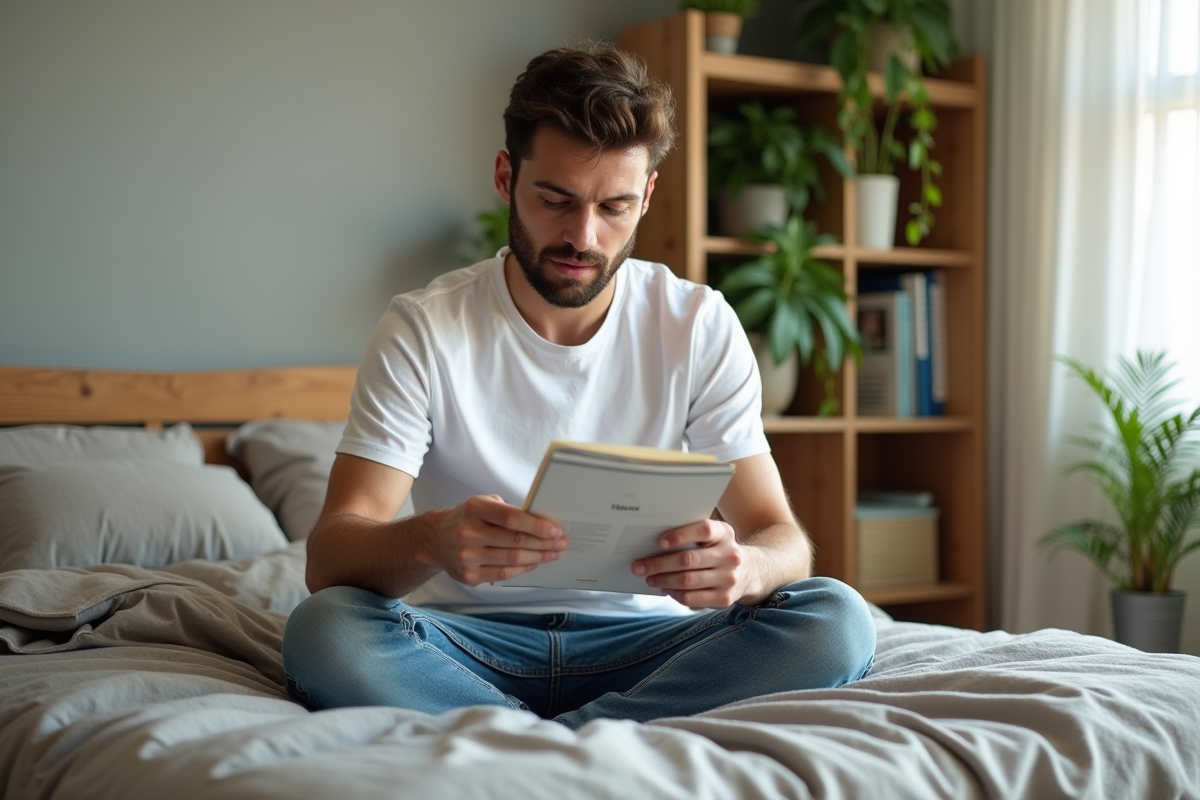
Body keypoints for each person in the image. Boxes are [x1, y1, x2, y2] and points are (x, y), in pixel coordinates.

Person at [282, 42, 876, 730]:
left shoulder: (697, 323)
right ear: (506, 177)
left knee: (835, 618)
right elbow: (330, 555)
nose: (584, 236)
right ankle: (613, 737)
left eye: (615, 206)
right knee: (324, 628)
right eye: (556, 199)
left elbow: (783, 537)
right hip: (466, 645)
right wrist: (432, 540)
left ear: (648, 193)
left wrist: (745, 568)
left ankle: (536, 740)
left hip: (651, 645)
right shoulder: (424, 327)